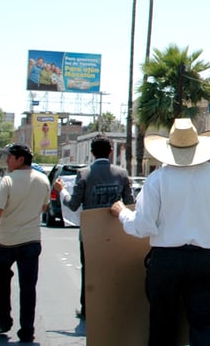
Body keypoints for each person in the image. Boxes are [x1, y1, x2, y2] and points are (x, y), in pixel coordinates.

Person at [111, 119, 210, 346]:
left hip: (166, 262)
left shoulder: (157, 179)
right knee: (206, 324)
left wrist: (123, 213)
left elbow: (143, 226)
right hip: (207, 259)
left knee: (162, 325)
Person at [54, 134, 135, 319]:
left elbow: (73, 204)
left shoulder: (83, 174)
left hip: (90, 234)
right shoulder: (122, 174)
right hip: (115, 232)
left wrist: (62, 191)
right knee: (114, 270)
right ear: (111, 151)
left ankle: (87, 308)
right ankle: (114, 305)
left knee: (89, 271)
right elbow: (130, 204)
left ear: (91, 153)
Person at [0, 143, 51, 343]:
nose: (8, 161)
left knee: (1, 282)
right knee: (28, 287)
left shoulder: (7, 181)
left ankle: (3, 320)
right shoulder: (43, 180)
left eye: (10, 157)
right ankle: (27, 330)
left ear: (20, 159)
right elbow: (44, 207)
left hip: (6, 242)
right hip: (31, 241)